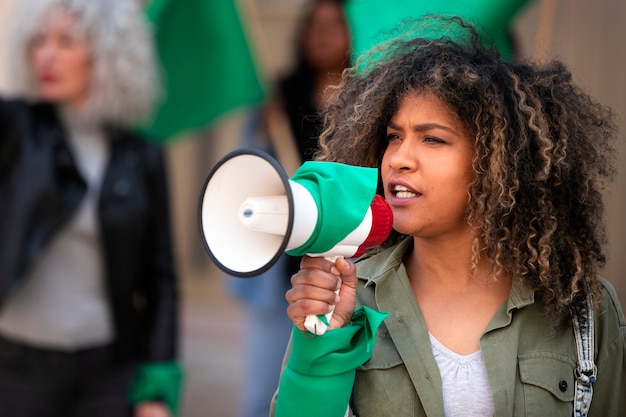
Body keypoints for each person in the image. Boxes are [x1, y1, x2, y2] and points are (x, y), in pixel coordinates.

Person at [270, 17, 626, 416]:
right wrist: (317, 347)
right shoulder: (350, 297)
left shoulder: (582, 307)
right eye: (393, 137)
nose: (399, 159)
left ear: (497, 164)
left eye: (433, 139)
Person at [0, 1, 180, 416]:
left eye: (65, 41)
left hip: (108, 372)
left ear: (105, 53)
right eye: (39, 40)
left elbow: (161, 276)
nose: (47, 54)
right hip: (15, 369)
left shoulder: (142, 155)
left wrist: (157, 387)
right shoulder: (16, 131)